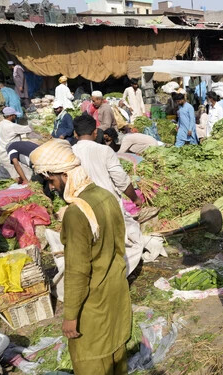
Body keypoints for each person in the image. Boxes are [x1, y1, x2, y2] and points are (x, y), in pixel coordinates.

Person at [29, 139, 131, 374]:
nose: (52, 187)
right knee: (117, 352)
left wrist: (71, 316)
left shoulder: (77, 212)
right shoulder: (106, 196)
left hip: (93, 301)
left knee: (91, 359)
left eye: (51, 180)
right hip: (116, 290)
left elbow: (77, 271)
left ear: (65, 175)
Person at [72, 114, 146, 275]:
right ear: (95, 132)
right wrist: (135, 198)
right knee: (114, 244)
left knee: (91, 245)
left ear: (75, 134)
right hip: (107, 204)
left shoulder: (70, 152)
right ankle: (116, 276)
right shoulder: (104, 150)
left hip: (81, 206)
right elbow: (120, 179)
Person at [0, 107, 32, 179]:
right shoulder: (12, 126)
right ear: (10, 116)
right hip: (10, 155)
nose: (15, 117)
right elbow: (28, 129)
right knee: (24, 176)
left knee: (12, 176)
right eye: (14, 115)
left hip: (2, 154)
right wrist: (33, 124)